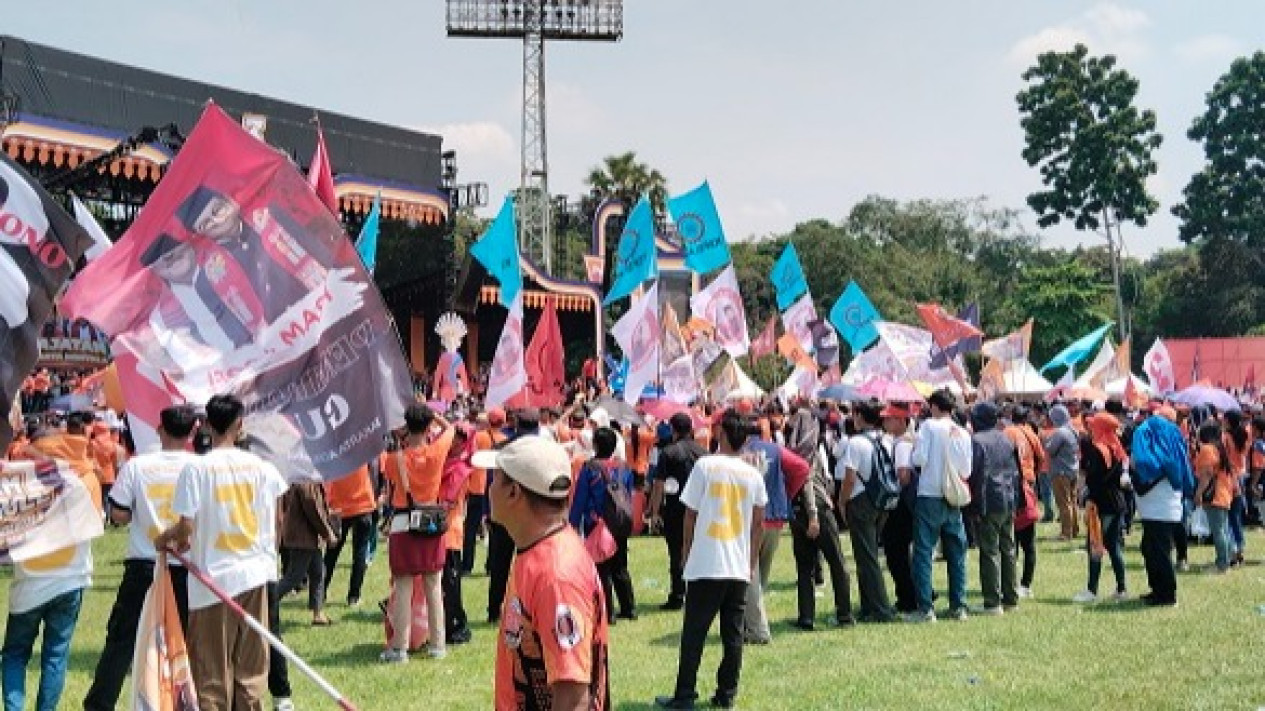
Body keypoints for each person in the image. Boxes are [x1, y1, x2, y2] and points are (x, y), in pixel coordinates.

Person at [154, 394, 289, 711]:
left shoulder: (196, 469)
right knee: (251, 671)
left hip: (212, 581)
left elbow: (185, 528)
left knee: (211, 674)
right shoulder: (263, 468)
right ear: (240, 425)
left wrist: (164, 539)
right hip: (255, 576)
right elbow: (278, 520)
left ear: (205, 426)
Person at [476, 436, 610, 711]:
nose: (489, 488)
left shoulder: (556, 575)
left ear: (514, 493)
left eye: (495, 478)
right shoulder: (537, 550)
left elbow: (572, 697)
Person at [83, 406, 196, 711]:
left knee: (122, 639)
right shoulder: (199, 467)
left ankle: (100, 703)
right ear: (193, 432)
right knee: (185, 640)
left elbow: (118, 513)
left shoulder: (138, 466)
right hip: (186, 568)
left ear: (159, 429)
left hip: (144, 564)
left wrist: (137, 513)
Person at [655, 409, 767, 710]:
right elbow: (759, 523)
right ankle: (727, 693)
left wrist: (685, 551)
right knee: (733, 635)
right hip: (737, 565)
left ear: (722, 434)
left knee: (694, 634)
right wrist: (750, 561)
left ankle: (685, 694)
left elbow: (690, 514)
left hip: (707, 561)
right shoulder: (753, 474)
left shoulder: (705, 466)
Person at [381, 404, 454, 662]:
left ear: (406, 426)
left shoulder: (394, 459)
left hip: (403, 524)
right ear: (428, 427)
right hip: (431, 524)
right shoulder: (436, 452)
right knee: (434, 584)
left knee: (403, 586)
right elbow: (451, 429)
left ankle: (400, 647)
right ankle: (437, 644)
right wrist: (434, 414)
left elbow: (389, 480)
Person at [740, 416, 809, 643]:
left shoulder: (739, 452)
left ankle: (757, 629)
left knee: (749, 575)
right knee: (760, 577)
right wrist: (786, 493)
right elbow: (802, 468)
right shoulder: (775, 450)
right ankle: (749, 623)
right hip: (775, 517)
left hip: (750, 519)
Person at [908, 389, 973, 623]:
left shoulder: (928, 427)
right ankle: (958, 606)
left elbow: (919, 459)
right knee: (957, 553)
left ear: (934, 406)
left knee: (924, 553)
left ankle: (926, 608)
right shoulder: (963, 433)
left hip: (929, 494)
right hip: (953, 496)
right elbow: (967, 470)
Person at [836, 399, 896, 623]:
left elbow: (849, 478)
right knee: (866, 555)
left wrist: (842, 502)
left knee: (867, 557)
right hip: (882, 499)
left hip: (860, 500)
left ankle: (880, 609)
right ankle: (868, 606)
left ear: (860, 416)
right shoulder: (886, 439)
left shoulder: (856, 443)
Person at [571, 427, 638, 623]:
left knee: (602, 570)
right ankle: (629, 608)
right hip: (619, 522)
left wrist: (573, 522)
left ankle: (608, 612)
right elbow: (627, 494)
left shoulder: (590, 468)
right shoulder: (624, 467)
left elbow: (581, 497)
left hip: (597, 523)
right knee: (621, 566)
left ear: (595, 445)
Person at [789, 433, 854, 630]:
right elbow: (808, 483)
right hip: (817, 509)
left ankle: (806, 616)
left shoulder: (793, 453)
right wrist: (813, 515)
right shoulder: (810, 454)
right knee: (837, 562)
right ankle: (844, 614)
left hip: (796, 511)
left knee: (805, 567)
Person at [1131, 406, 1192, 606]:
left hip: (1160, 509)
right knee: (1149, 548)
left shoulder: (1159, 455)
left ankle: (1167, 594)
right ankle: (1157, 589)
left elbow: (1142, 464)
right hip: (1158, 508)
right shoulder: (1173, 447)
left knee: (1160, 551)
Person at [649, 413, 708, 611]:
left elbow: (659, 484)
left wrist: (655, 512)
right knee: (699, 551)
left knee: (676, 552)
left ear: (673, 429)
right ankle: (698, 593)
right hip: (699, 508)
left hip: (675, 508)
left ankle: (677, 594)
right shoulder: (703, 452)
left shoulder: (668, 452)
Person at [967, 402, 1020, 615]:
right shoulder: (1006, 439)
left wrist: (975, 507)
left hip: (989, 501)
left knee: (989, 551)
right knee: (1008, 549)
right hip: (1008, 498)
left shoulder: (977, 441)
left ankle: (992, 601)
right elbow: (1016, 473)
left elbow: (977, 476)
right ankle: (1011, 599)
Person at [1073, 412, 1130, 603]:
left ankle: (1092, 590)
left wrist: (1087, 498)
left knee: (1095, 546)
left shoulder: (1098, 449)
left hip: (1102, 504)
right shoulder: (1116, 447)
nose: (1090, 429)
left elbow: (1094, 479)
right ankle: (1122, 589)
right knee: (1113, 547)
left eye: (1093, 426)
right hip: (1117, 503)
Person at [275, 478, 337, 626]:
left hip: (308, 537)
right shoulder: (305, 479)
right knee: (294, 577)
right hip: (302, 537)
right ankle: (265, 601)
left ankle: (318, 614)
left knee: (318, 573)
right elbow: (312, 507)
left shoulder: (307, 477)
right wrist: (327, 532)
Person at [881, 403, 918, 614]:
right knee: (902, 552)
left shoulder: (903, 444)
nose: (886, 422)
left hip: (901, 504)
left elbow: (903, 476)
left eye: (890, 418)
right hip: (907, 503)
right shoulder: (907, 439)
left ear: (902, 421)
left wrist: (890, 485)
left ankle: (907, 598)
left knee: (896, 552)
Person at [440, 422, 475, 645]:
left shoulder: (460, 468)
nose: (453, 441)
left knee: (450, 584)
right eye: (452, 436)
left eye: (458, 438)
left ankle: (455, 624)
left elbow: (448, 501)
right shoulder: (444, 462)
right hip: (441, 530)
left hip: (450, 532)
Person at [1004, 405, 1044, 598]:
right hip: (1029, 483)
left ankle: (1011, 581)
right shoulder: (1032, 434)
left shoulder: (1007, 432)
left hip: (1013, 485)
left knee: (1012, 538)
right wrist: (1032, 474)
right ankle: (1026, 583)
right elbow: (1041, 458)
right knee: (1029, 541)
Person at [322, 464, 376, 607]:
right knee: (360, 553)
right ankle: (354, 596)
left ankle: (320, 593)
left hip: (339, 507)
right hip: (363, 504)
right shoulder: (361, 452)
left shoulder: (335, 455)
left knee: (331, 553)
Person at [1194, 421, 1236, 573]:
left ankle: (1222, 564)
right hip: (1224, 493)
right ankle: (1229, 558)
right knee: (1223, 530)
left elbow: (1207, 474)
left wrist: (1198, 493)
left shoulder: (1207, 449)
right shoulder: (1220, 448)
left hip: (1214, 495)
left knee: (1218, 531)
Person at [1044, 405, 1081, 541]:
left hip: (1061, 471)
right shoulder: (1073, 430)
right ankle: (1074, 529)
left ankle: (1066, 533)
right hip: (1073, 469)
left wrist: (1047, 440)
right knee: (1073, 501)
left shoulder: (1060, 432)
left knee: (1064, 503)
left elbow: (1051, 449)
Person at [1222, 409, 1249, 566]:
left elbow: (1224, 458)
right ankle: (1240, 550)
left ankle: (1232, 552)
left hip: (1229, 478)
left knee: (1227, 517)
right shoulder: (1244, 437)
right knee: (1236, 517)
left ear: (1228, 421)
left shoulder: (1225, 438)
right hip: (1241, 476)